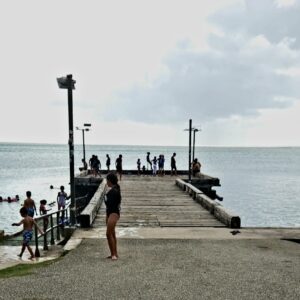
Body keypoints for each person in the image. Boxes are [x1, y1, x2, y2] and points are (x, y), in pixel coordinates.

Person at [104, 172, 121, 260]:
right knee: (112, 233)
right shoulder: (113, 189)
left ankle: (114, 254)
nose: (106, 182)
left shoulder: (114, 190)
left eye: (107, 180)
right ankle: (114, 253)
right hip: (109, 212)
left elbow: (114, 203)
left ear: (110, 180)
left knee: (108, 234)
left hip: (114, 213)